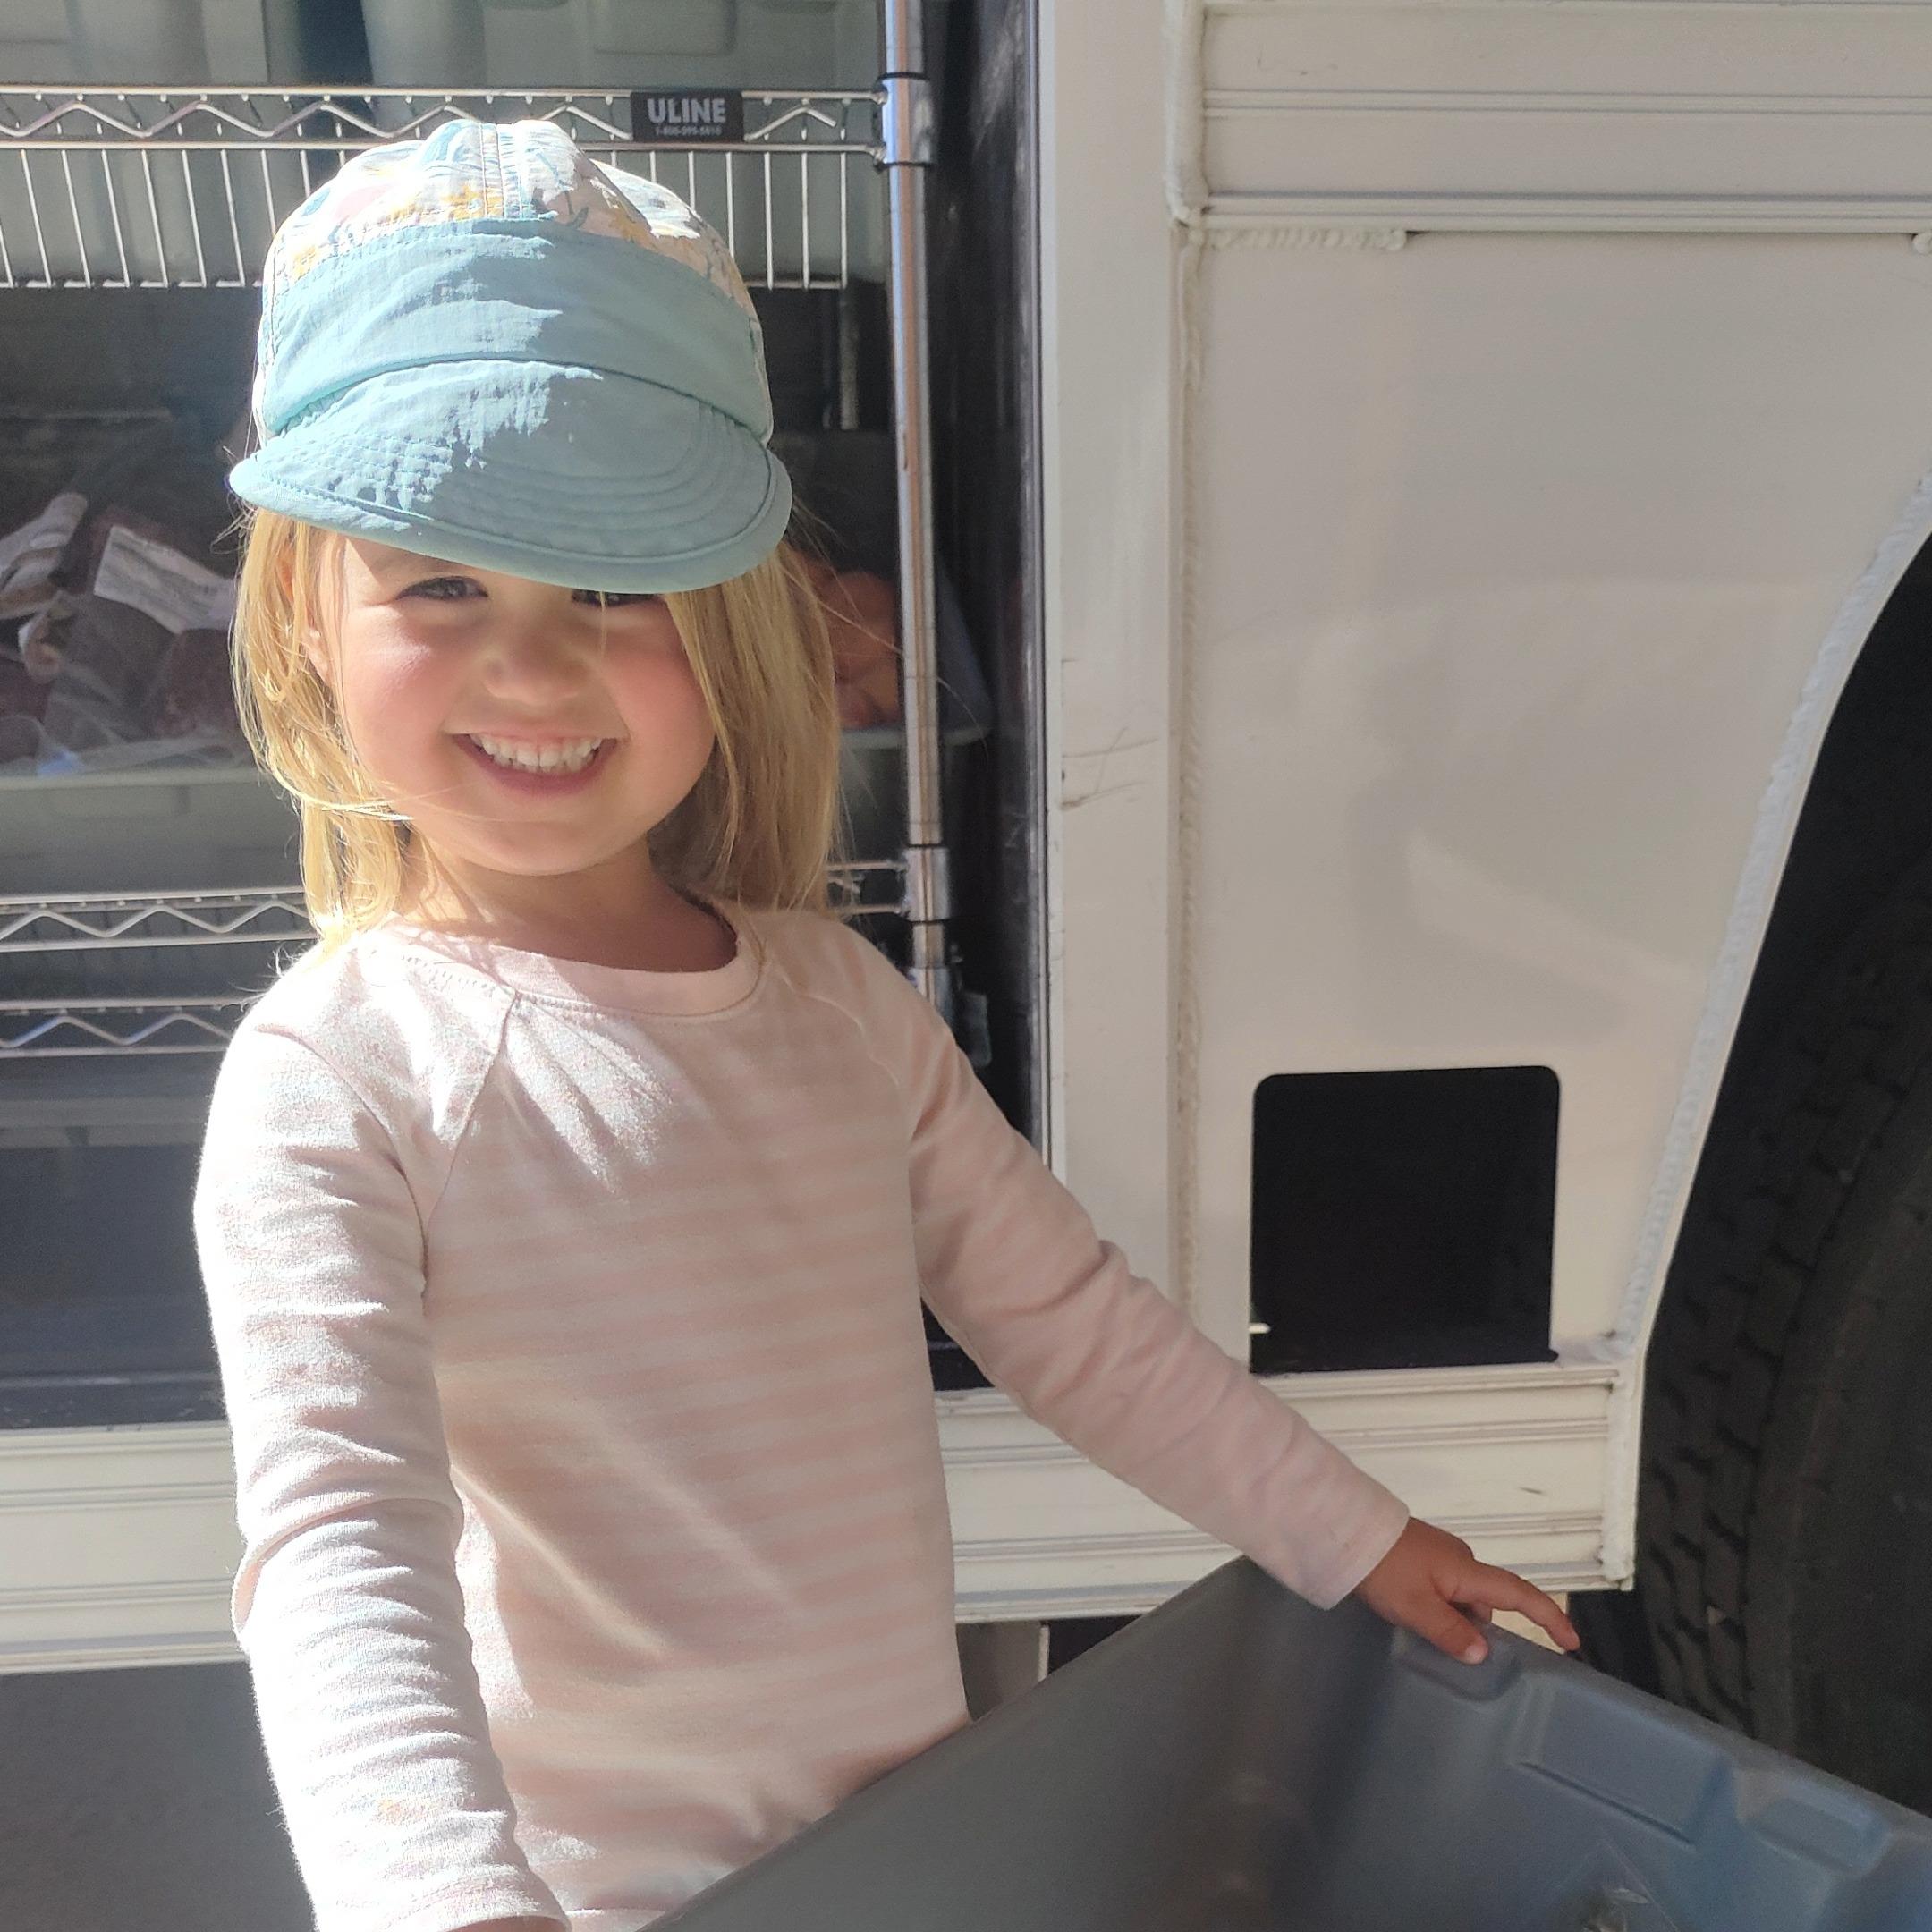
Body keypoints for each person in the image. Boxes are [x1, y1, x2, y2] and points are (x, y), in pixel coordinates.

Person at [193, 118, 1578, 1932]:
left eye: (614, 581)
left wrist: (1356, 1537)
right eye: (441, 580)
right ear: (307, 615)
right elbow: (340, 1553)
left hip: (921, 1861)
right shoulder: (336, 1079)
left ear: (731, 623)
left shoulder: (837, 1005)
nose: (531, 666)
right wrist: (453, 1908)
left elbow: (1076, 1327)